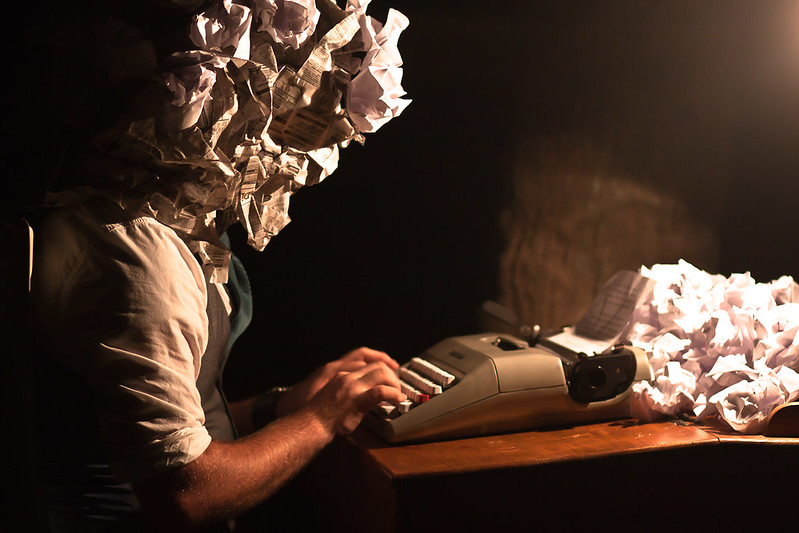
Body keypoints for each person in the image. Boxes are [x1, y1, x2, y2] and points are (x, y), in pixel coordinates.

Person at [23, 1, 411, 531]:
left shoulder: (148, 220)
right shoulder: (138, 255)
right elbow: (189, 492)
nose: (318, 150)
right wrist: (325, 418)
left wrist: (282, 409)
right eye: (302, 120)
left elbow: (168, 422)